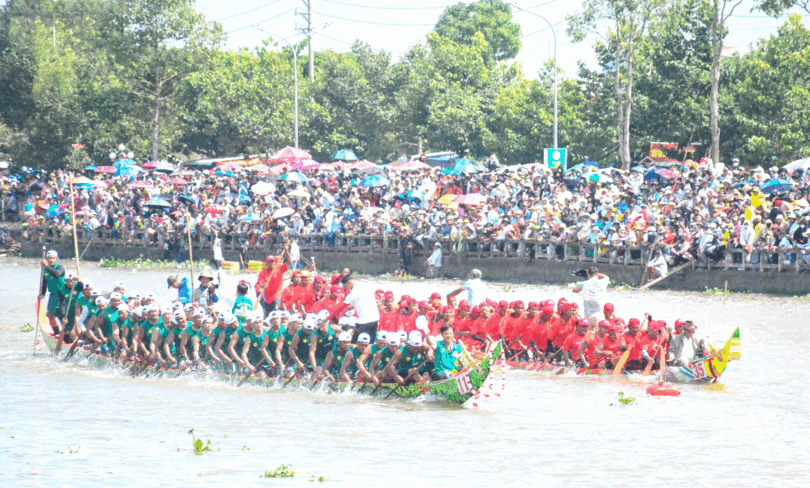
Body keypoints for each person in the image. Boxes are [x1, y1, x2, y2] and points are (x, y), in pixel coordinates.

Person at [340, 274, 379, 343]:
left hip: (364, 321)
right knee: (370, 343)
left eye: (345, 286)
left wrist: (329, 318)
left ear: (350, 282)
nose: (345, 288)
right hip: (375, 319)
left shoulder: (353, 293)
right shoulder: (365, 286)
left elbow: (340, 308)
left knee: (354, 343)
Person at [39, 250, 66, 334]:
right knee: (50, 315)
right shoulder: (45, 270)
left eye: (53, 258)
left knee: (62, 315)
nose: (51, 260)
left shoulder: (59, 267)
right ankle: (57, 332)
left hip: (62, 294)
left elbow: (57, 274)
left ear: (56, 259)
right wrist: (42, 294)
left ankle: (66, 333)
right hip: (53, 294)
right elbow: (44, 283)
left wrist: (46, 266)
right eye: (49, 258)